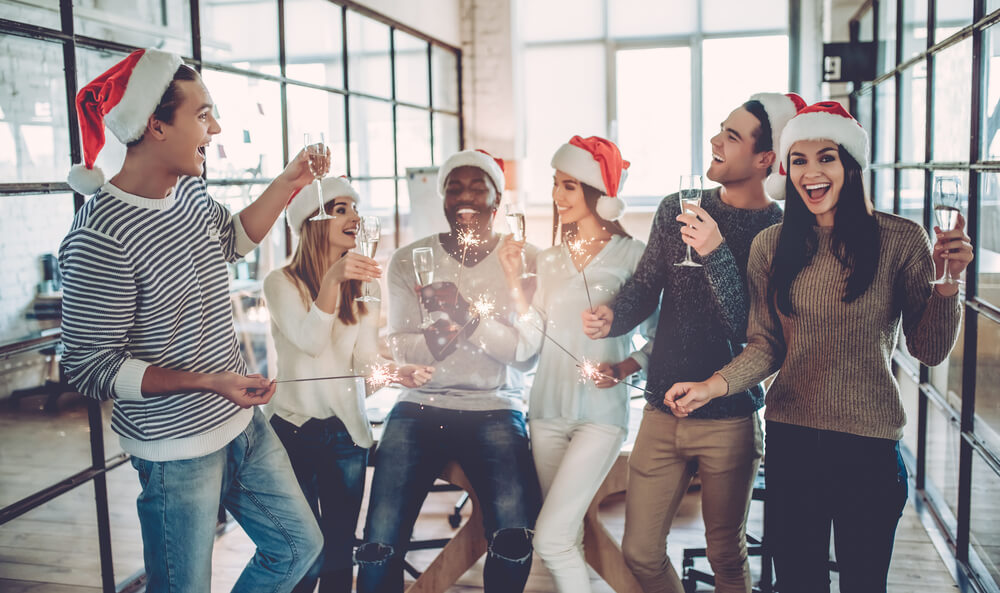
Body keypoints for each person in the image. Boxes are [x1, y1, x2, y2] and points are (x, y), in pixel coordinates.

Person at [664, 101, 972, 592]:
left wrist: (948, 285)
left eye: (825, 157)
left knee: (863, 584)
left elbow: (929, 350)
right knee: (798, 585)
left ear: (850, 164)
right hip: (793, 442)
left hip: (869, 446)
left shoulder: (901, 240)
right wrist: (712, 386)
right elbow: (766, 345)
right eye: (800, 160)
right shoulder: (772, 245)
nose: (811, 172)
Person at [59, 48, 322, 592]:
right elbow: (88, 367)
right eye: (203, 115)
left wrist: (289, 181)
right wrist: (208, 382)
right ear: (155, 125)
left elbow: (230, 239)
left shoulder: (190, 191)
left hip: (240, 424)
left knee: (300, 545)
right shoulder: (99, 237)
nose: (216, 128)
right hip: (174, 452)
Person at [582, 93, 806, 593]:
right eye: (719, 130)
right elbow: (644, 288)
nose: (715, 141)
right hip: (661, 409)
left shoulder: (779, 231)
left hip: (729, 417)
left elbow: (752, 331)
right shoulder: (676, 209)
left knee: (727, 555)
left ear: (766, 159)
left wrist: (716, 252)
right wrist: (612, 316)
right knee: (640, 552)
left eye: (732, 135)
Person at [354, 149, 542, 593]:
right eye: (454, 186)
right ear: (441, 197)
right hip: (419, 406)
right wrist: (470, 327)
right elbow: (403, 346)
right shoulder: (409, 259)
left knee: (515, 536)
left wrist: (458, 316)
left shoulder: (523, 258)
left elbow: (525, 354)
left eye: (479, 187)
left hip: (495, 407)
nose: (465, 196)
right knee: (380, 539)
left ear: (498, 199)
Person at [498, 135, 655, 593]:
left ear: (598, 194)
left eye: (569, 185)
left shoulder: (634, 255)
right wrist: (513, 284)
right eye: (555, 184)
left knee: (550, 538)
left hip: (601, 418)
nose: (557, 196)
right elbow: (530, 342)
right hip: (545, 413)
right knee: (564, 536)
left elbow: (658, 339)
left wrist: (625, 368)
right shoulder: (547, 261)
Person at [264, 177, 434, 593]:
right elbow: (309, 341)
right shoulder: (280, 283)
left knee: (340, 549)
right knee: (303, 550)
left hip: (347, 435)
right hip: (293, 430)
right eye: (341, 209)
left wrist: (397, 373)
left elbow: (365, 362)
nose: (354, 217)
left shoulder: (368, 286)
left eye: (354, 209)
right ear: (312, 221)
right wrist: (331, 283)